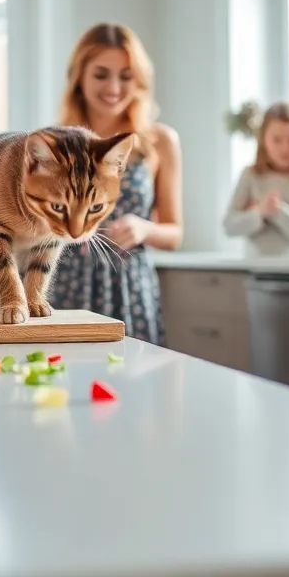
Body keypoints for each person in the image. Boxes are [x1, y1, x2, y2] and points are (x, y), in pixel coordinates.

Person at [47, 22, 183, 344]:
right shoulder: (55, 141)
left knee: (134, 386)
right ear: (79, 76)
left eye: (126, 76)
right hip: (65, 282)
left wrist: (143, 228)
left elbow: (175, 232)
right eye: (101, 74)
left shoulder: (159, 141)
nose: (114, 87)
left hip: (129, 288)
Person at [223, 101, 289, 257]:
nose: (285, 148)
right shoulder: (251, 175)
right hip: (254, 266)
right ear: (264, 140)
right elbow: (229, 226)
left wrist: (277, 211)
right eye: (277, 139)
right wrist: (259, 212)